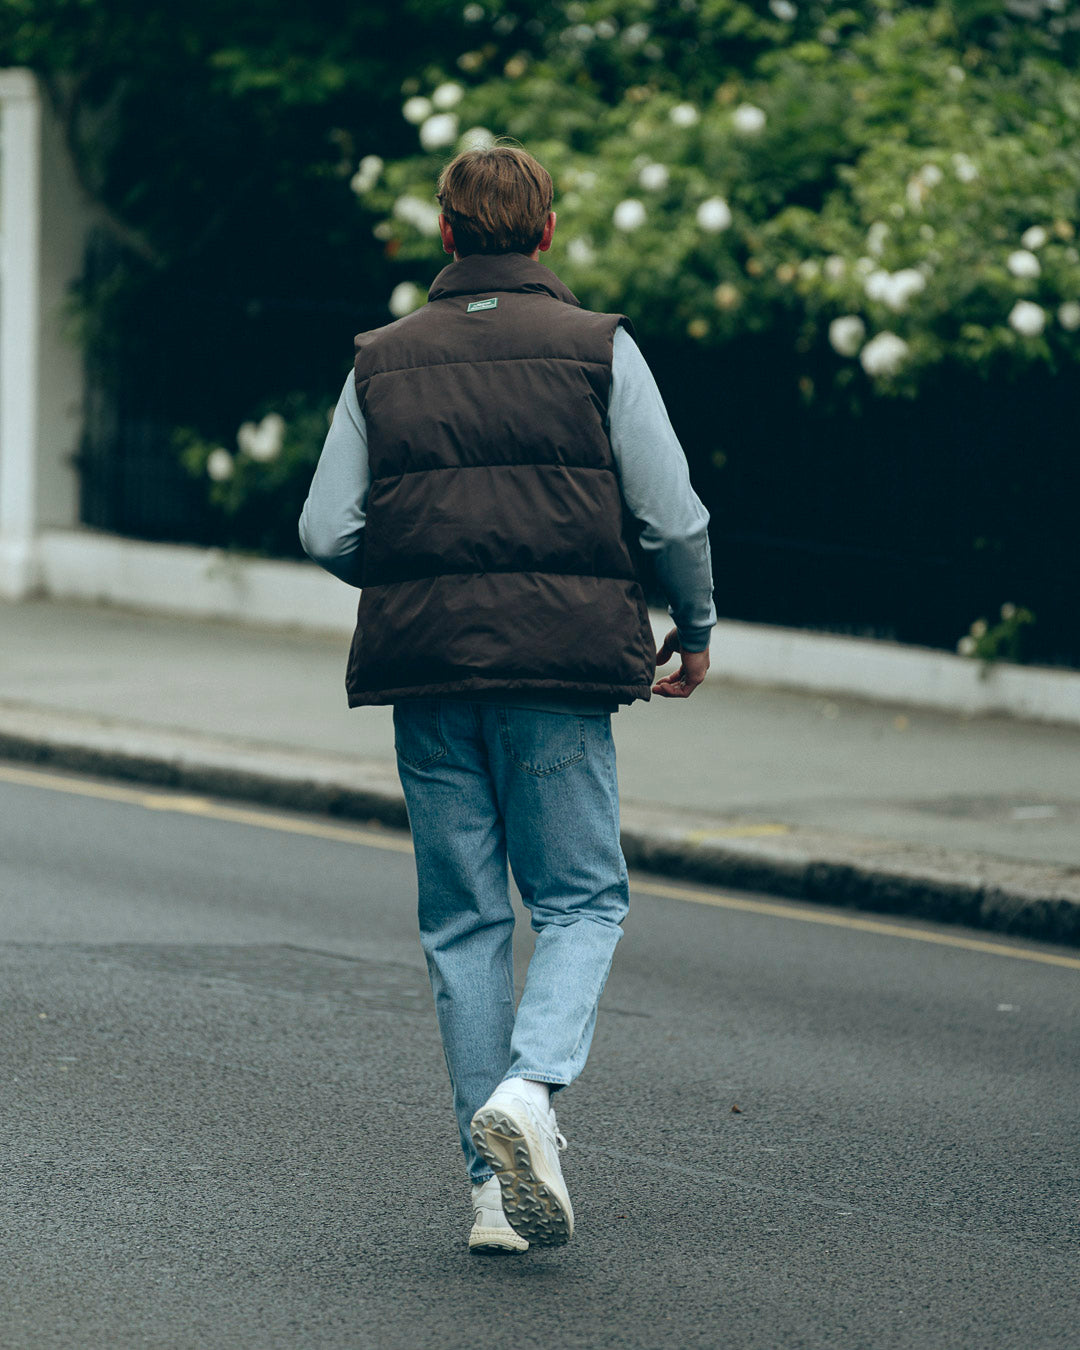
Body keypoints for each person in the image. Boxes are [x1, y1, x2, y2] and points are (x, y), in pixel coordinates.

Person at [299, 144, 715, 1253]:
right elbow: (674, 519)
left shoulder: (380, 360)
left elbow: (327, 529)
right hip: (559, 668)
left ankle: (490, 1196)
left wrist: (424, 574)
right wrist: (697, 629)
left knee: (465, 923)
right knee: (581, 901)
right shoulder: (597, 349)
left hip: (429, 671)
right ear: (545, 231)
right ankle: (531, 1093)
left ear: (446, 233)